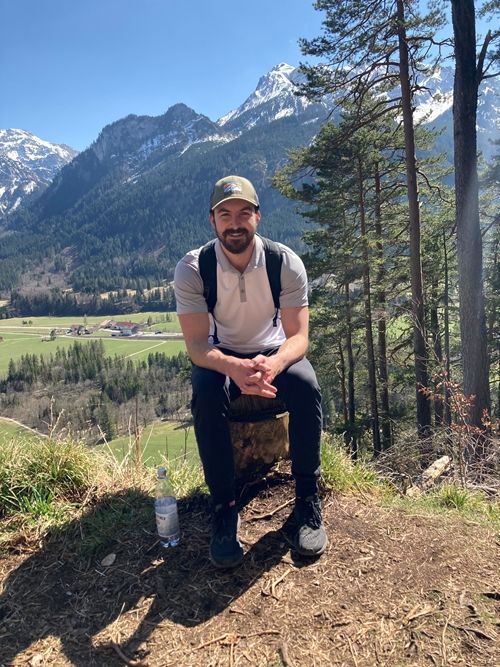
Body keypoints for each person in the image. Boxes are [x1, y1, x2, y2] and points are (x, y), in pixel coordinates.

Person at [174, 175, 327, 568]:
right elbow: (197, 347)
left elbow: (299, 338)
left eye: (244, 213)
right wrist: (235, 367)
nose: (235, 223)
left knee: (306, 385)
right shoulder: (194, 268)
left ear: (258, 216)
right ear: (212, 220)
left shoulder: (284, 263)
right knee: (207, 392)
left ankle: (307, 500)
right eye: (225, 214)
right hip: (221, 355)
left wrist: (272, 364)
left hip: (272, 352)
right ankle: (224, 507)